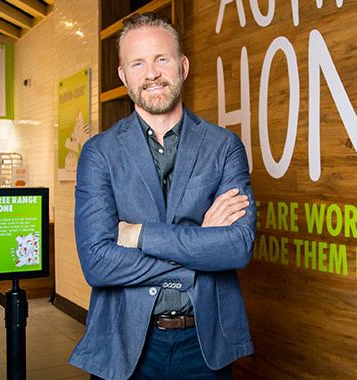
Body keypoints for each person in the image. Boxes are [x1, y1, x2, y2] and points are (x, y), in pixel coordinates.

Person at [69, 12, 257, 380]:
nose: (151, 73)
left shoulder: (224, 147)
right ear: (123, 75)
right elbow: (97, 263)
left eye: (161, 59)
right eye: (137, 63)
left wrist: (136, 234)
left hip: (204, 345)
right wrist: (201, 247)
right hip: (125, 341)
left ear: (182, 66)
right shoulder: (99, 153)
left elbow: (237, 247)